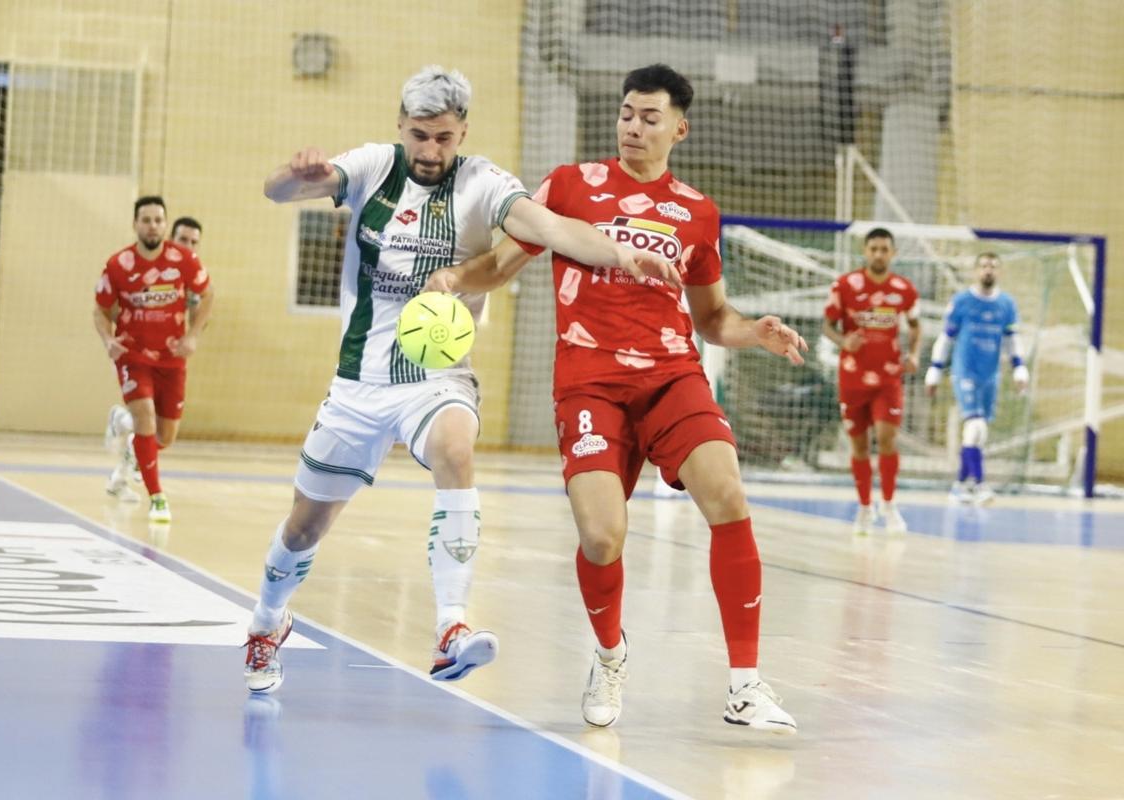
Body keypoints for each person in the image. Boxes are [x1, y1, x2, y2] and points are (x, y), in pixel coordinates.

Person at [242, 65, 679, 694]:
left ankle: (452, 626)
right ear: (401, 126)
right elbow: (276, 194)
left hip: (437, 374)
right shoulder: (371, 165)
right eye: (419, 136)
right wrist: (295, 175)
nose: (430, 151)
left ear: (463, 132)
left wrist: (616, 251)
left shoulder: (483, 183)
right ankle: (265, 621)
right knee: (304, 527)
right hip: (359, 381)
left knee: (454, 447)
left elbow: (550, 226)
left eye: (444, 138)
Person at [426, 64, 803, 733]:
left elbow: (713, 319)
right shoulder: (571, 185)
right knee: (602, 538)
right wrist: (457, 277)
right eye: (627, 113)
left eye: (649, 116)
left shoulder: (697, 212)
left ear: (679, 129)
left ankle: (744, 685)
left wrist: (755, 332)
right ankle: (608, 656)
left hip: (671, 376)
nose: (633, 125)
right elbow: (505, 264)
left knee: (730, 498)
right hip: (590, 383)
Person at [94, 195, 215, 523]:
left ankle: (123, 425)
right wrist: (108, 339)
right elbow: (102, 310)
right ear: (135, 224)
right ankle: (158, 498)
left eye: (158, 220)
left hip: (171, 360)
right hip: (133, 355)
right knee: (146, 418)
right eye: (146, 220)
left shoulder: (184, 263)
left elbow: (207, 296)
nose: (152, 226)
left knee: (164, 437)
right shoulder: (118, 265)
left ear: (165, 223)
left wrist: (192, 336)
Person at [822, 228, 921, 535]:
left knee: (887, 438)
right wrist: (842, 340)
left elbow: (916, 326)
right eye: (874, 248)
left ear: (892, 253)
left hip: (889, 377)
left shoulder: (903, 289)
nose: (879, 254)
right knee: (859, 445)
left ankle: (889, 506)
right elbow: (827, 325)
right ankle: (865, 507)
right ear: (865, 251)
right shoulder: (846, 285)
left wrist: (914, 354)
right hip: (852, 378)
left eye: (884, 249)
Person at [924, 252, 1029, 504]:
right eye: (983, 266)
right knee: (975, 425)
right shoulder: (962, 301)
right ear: (976, 270)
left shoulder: (1006, 304)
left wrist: (1019, 367)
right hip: (965, 372)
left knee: (978, 435)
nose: (988, 270)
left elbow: (1011, 339)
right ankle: (980, 484)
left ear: (999, 271)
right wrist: (936, 369)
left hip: (990, 375)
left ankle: (960, 485)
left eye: (993, 266)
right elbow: (946, 338)